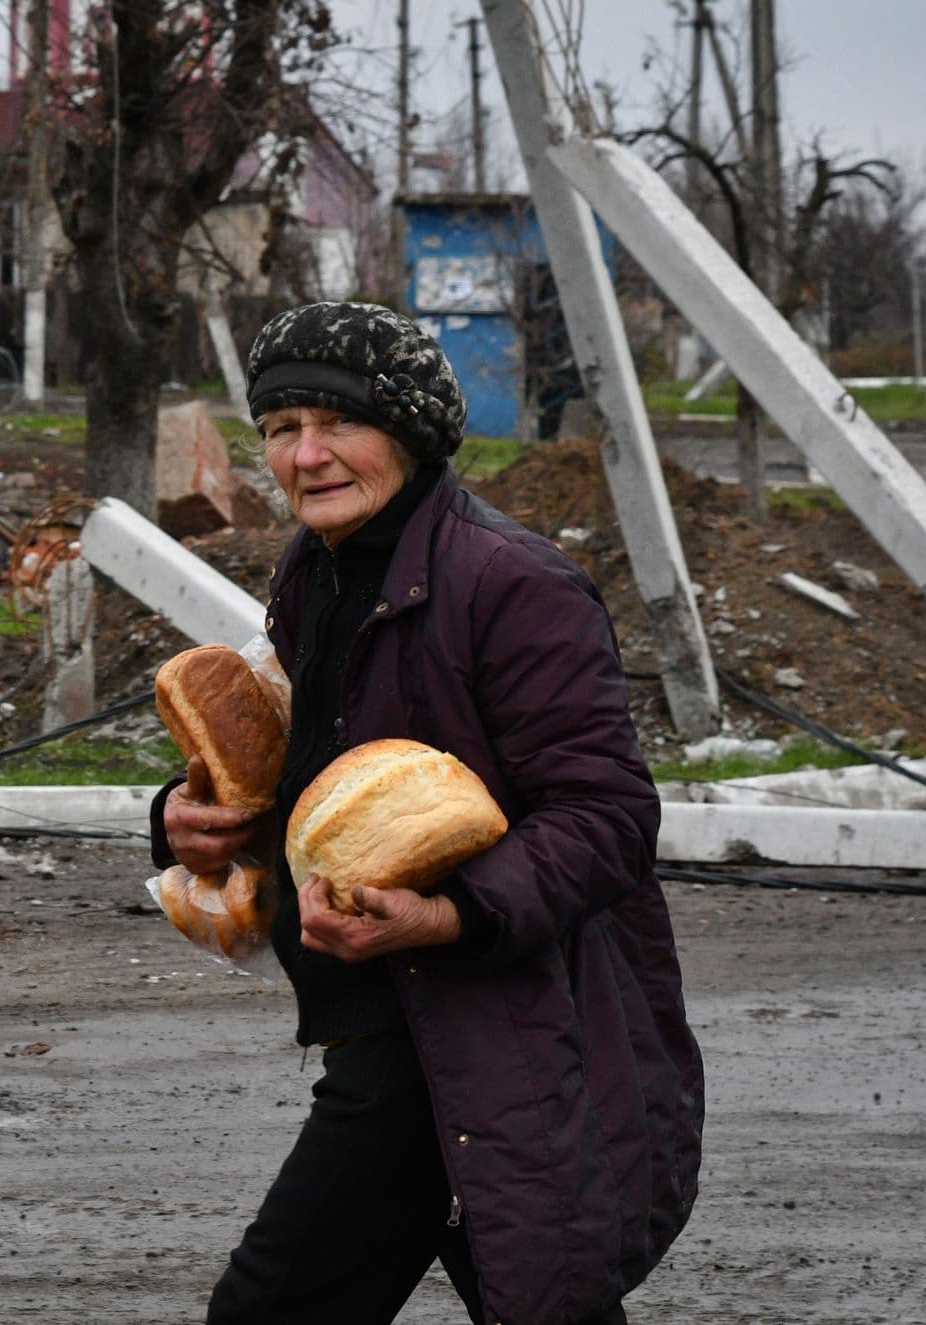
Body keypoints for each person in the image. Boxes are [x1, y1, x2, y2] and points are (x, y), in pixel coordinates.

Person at [149, 303, 704, 1325]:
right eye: (279, 427)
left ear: (406, 431)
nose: (306, 455)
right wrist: (187, 817)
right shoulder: (318, 571)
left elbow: (608, 815)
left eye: (336, 423)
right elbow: (331, 778)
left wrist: (449, 915)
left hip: (486, 1032)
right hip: (399, 1024)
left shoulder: (512, 584)